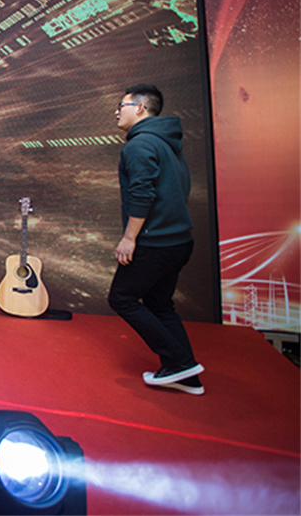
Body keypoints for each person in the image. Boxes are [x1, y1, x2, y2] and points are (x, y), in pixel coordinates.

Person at [109, 84, 203, 395]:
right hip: (179, 242)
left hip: (155, 244)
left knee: (121, 298)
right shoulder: (168, 143)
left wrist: (129, 238)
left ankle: (178, 362)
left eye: (121, 105)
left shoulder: (139, 145)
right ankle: (187, 375)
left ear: (140, 108)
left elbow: (143, 193)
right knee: (159, 304)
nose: (116, 112)